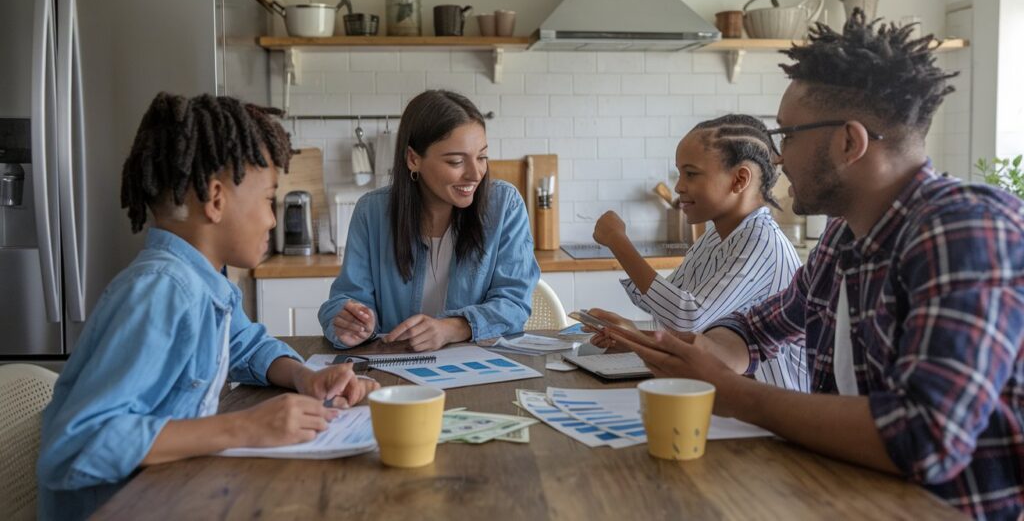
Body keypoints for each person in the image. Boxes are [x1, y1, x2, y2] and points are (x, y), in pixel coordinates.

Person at [607, 12, 1024, 520]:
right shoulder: (842, 236)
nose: (778, 159)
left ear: (850, 142)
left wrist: (736, 393)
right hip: (841, 497)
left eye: (788, 135)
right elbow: (761, 327)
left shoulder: (965, 230)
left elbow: (925, 436)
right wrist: (698, 351)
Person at [36, 93, 379, 521]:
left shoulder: (203, 280)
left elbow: (245, 345)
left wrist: (305, 377)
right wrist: (246, 427)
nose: (273, 220)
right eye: (267, 200)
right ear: (215, 199)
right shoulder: (164, 291)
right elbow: (74, 448)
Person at [588, 114, 807, 391]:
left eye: (690, 173)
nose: (679, 186)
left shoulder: (762, 241)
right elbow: (667, 302)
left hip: (776, 412)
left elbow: (686, 317)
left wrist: (618, 241)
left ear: (739, 180)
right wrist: (631, 334)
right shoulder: (716, 235)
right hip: (735, 400)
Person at [319, 90, 539, 352]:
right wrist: (350, 322)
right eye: (456, 161)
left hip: (478, 370)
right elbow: (345, 300)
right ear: (413, 159)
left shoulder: (505, 206)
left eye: (482, 157)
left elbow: (514, 303)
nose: (475, 173)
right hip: (396, 375)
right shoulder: (372, 212)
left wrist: (452, 328)